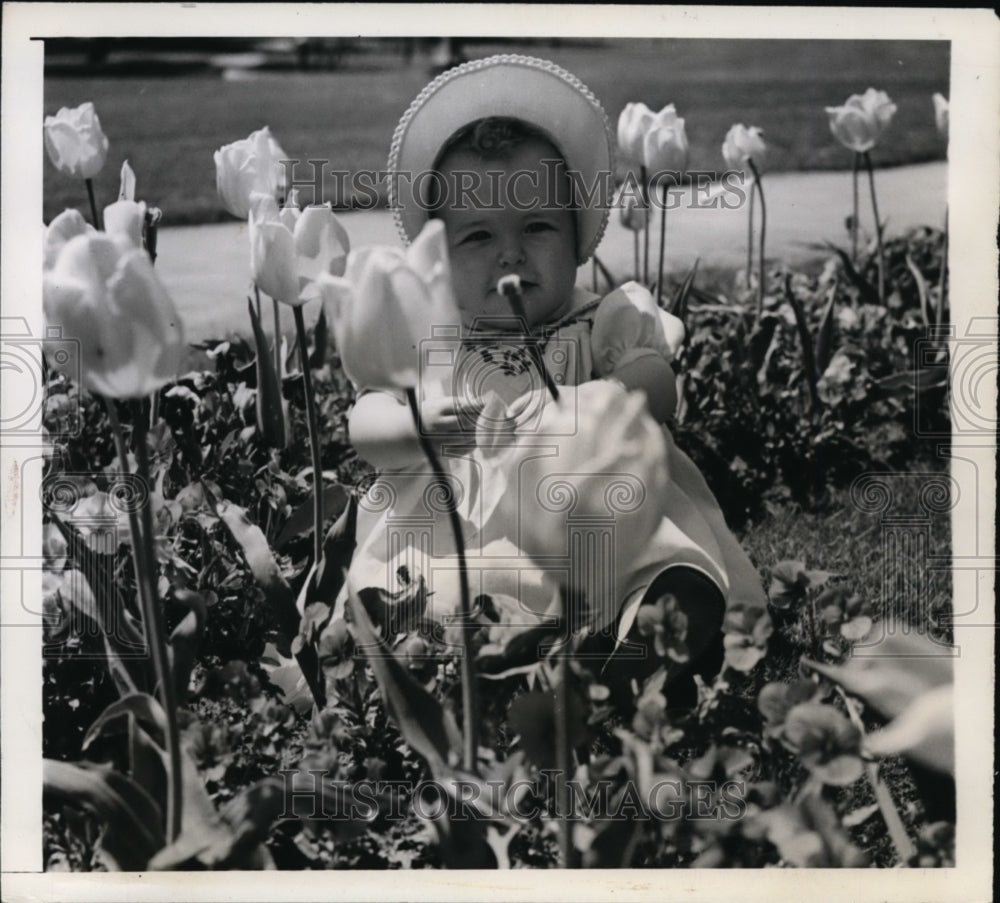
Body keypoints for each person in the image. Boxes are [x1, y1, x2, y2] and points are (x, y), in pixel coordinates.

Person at [343, 55, 765, 696]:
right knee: (427, 582)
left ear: (577, 237)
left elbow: (658, 384)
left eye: (537, 226)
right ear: (438, 253)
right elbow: (363, 421)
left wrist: (594, 402)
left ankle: (630, 650)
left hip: (596, 508)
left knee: (659, 565)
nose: (511, 252)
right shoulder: (432, 339)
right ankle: (455, 650)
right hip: (463, 518)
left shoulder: (602, 318)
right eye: (479, 236)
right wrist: (418, 428)